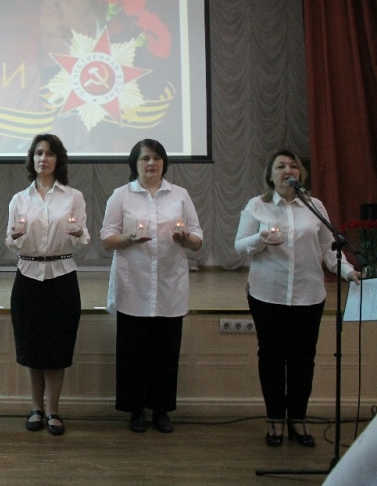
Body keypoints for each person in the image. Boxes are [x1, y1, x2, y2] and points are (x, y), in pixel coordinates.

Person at [234, 149, 360, 448]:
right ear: (271, 175)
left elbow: (329, 249)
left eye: (293, 166)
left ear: (300, 174)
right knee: (272, 359)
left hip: (308, 295)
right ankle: (275, 420)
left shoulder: (314, 206)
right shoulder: (257, 205)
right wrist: (260, 239)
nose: (287, 170)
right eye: (280, 166)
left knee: (303, 360)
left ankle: (298, 419)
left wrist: (347, 271)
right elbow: (239, 246)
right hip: (268, 294)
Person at [100, 138, 203, 434]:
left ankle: (161, 409)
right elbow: (107, 239)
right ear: (135, 164)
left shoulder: (179, 195)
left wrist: (186, 239)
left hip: (169, 285)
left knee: (165, 353)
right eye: (145, 158)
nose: (151, 163)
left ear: (164, 163)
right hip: (133, 284)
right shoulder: (121, 196)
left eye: (157, 158)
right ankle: (135, 410)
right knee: (132, 353)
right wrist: (130, 238)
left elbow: (197, 237)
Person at [5, 133, 89, 436]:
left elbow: (83, 238)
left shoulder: (73, 197)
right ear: (32, 159)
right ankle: (36, 408)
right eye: (38, 153)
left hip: (61, 276)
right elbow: (10, 241)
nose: (43, 158)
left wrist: (77, 233)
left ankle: (53, 410)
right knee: (32, 348)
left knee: (57, 348)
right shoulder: (20, 198)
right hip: (28, 277)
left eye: (50, 153)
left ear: (58, 159)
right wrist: (15, 237)